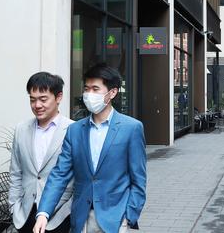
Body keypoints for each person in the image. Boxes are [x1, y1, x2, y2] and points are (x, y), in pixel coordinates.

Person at [34, 64, 147, 233]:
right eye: (87, 89)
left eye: (95, 89)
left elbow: (138, 179)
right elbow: (60, 174)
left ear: (112, 93)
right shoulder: (75, 130)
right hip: (80, 217)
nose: (89, 95)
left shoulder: (131, 128)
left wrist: (130, 214)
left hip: (114, 218)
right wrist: (43, 213)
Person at [9, 72, 73, 233]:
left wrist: (69, 210)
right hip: (25, 213)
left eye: (43, 99)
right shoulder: (21, 130)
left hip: (60, 215)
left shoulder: (74, 130)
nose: (37, 105)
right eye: (32, 99)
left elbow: (79, 177)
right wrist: (14, 206)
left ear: (58, 97)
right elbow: (15, 173)